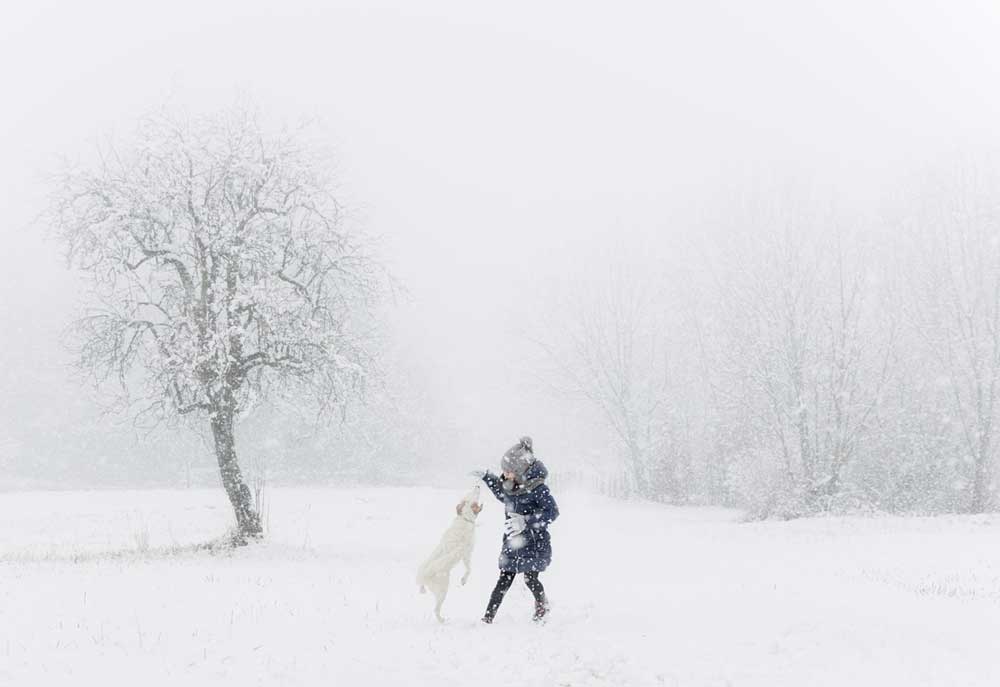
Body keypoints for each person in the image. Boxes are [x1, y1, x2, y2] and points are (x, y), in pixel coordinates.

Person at [469, 436, 559, 623]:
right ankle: (487, 618)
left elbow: (552, 511)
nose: (505, 474)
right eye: (504, 470)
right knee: (504, 578)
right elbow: (502, 494)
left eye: (508, 471)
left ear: (520, 470)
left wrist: (527, 521)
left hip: (534, 542)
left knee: (530, 579)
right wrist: (487, 476)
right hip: (513, 540)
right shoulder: (511, 485)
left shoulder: (538, 488)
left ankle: (542, 606)